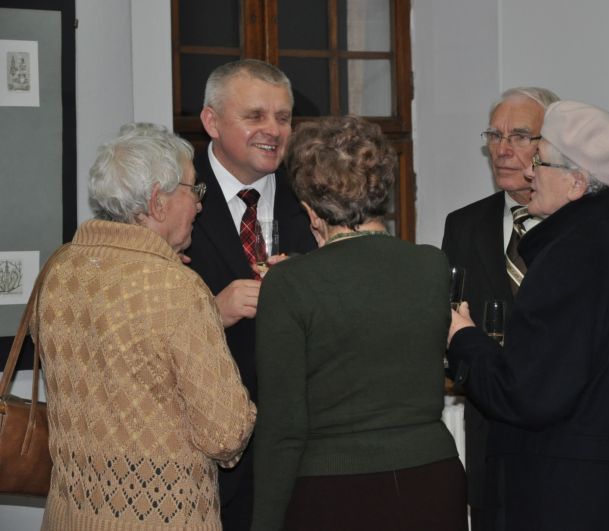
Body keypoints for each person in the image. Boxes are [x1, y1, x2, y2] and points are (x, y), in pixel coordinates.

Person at [447, 101, 609, 530]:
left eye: (539, 161)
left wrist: (464, 339)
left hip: (582, 497)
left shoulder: (573, 256)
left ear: (577, 183)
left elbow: (525, 394)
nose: (529, 173)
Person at [33, 124, 256, 530]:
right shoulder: (177, 288)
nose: (199, 205)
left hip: (70, 515)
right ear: (157, 202)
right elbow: (225, 433)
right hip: (159, 519)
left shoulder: (59, 269)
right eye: (193, 190)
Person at [251, 115, 467, 531]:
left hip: (336, 488)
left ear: (311, 210)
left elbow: (283, 428)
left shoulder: (290, 283)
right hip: (432, 478)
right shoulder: (431, 265)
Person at [186, 59, 317, 529]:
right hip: (201, 450)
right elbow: (136, 317)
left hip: (300, 449)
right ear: (212, 121)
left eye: (283, 118)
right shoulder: (174, 195)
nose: (274, 131)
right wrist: (210, 312)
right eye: (255, 116)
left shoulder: (313, 194)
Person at [440, 86, 560, 531]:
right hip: (489, 436)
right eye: (494, 135)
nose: (502, 150)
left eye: (520, 136)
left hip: (561, 438)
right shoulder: (464, 224)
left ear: (551, 145)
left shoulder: (579, 229)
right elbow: (449, 320)